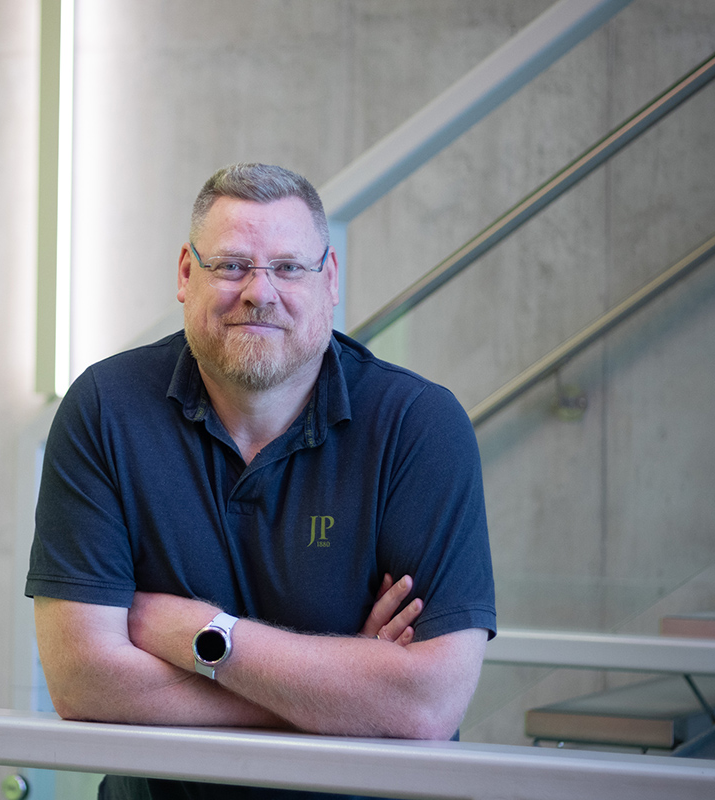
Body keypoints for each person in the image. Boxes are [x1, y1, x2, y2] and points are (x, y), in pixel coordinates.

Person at [26, 163, 495, 799]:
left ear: (329, 280)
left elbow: (426, 706)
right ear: (187, 275)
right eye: (231, 265)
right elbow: (81, 680)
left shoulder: (419, 427)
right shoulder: (105, 410)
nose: (259, 291)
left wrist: (201, 637)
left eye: (288, 267)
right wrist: (340, 698)